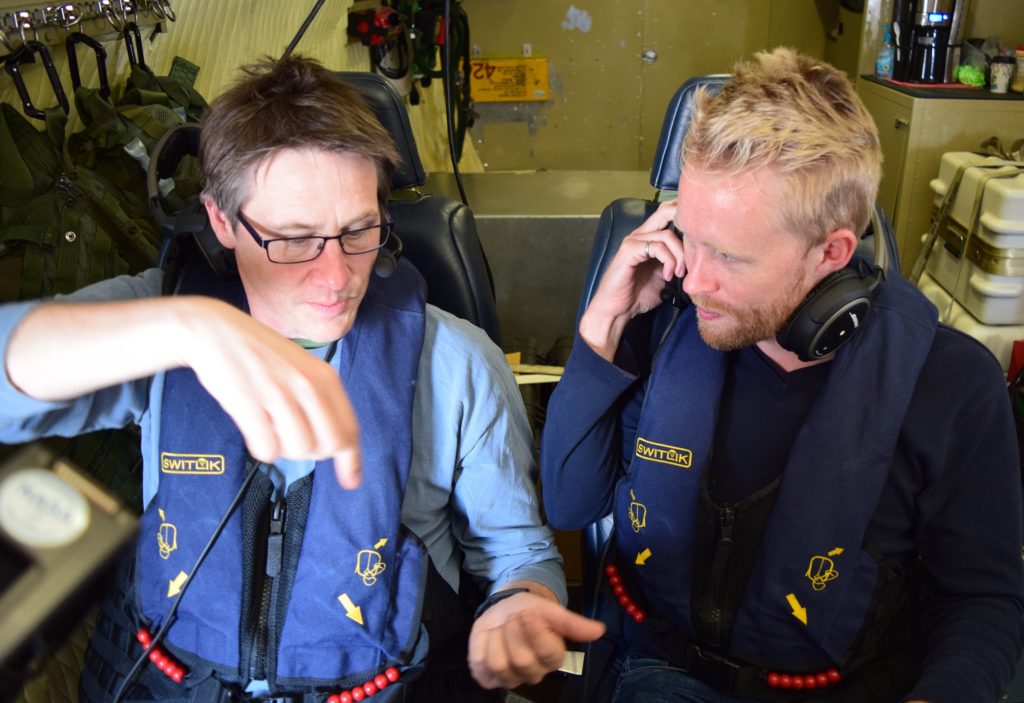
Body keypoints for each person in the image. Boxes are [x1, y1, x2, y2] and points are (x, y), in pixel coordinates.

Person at [0, 55, 603, 702]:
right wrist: (177, 329)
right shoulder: (154, 323)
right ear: (222, 222)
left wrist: (521, 603)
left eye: (358, 229)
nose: (336, 275)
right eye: (292, 238)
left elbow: (517, 551)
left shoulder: (457, 363)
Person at [541, 47, 1024, 703]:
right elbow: (571, 502)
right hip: (663, 672)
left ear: (832, 253)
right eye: (691, 236)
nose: (695, 277)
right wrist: (603, 326)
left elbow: (983, 599)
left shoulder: (952, 387)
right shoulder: (664, 321)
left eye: (731, 257)